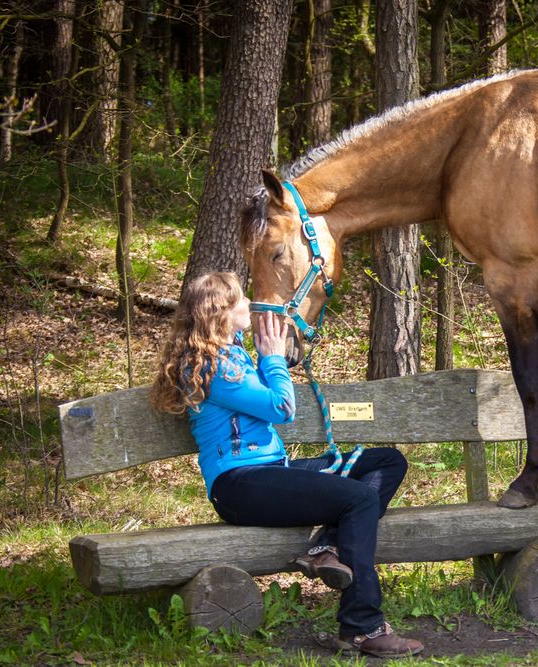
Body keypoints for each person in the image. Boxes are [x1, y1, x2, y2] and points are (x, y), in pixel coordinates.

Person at [150, 272, 423, 658]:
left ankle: (327, 547)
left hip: (271, 474)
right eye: (241, 299)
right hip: (242, 485)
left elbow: (266, 398)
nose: (250, 304)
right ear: (222, 313)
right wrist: (274, 358)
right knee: (359, 500)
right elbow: (282, 407)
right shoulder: (216, 368)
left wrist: (268, 357)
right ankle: (362, 627)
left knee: (386, 460)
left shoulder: (230, 357)